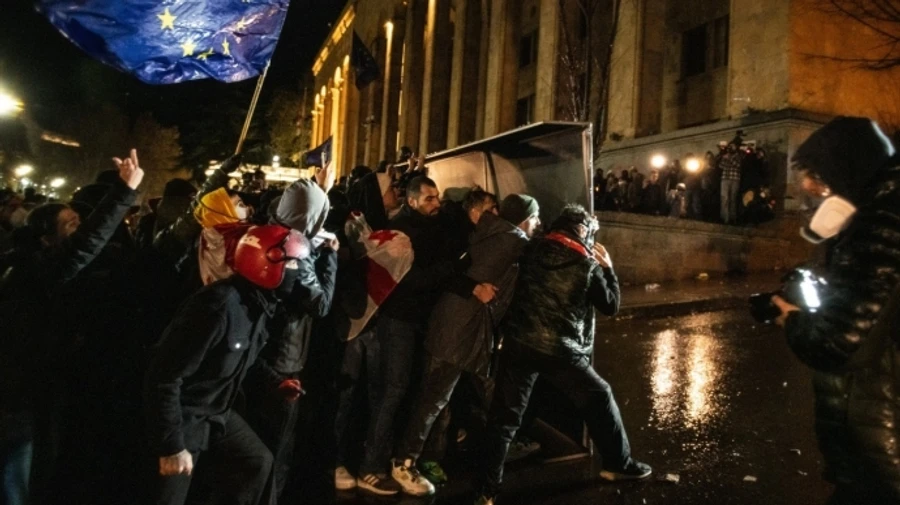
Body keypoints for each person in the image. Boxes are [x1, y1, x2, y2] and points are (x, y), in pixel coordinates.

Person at [474, 204, 651, 505]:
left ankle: (486, 491)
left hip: (519, 343)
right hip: (561, 350)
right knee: (600, 396)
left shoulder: (532, 249)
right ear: (582, 231)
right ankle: (618, 464)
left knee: (504, 418)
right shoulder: (587, 266)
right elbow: (610, 305)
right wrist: (608, 267)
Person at [0, 149, 144, 505]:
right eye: (71, 224)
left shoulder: (28, 268)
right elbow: (84, 247)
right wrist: (123, 193)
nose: (79, 227)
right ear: (46, 239)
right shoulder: (36, 273)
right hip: (17, 396)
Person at [771, 116, 900, 505]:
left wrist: (792, 318)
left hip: (880, 440)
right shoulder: (873, 219)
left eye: (819, 177)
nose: (810, 189)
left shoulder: (881, 226)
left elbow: (840, 344)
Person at [143, 224, 311, 505]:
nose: (295, 270)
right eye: (291, 262)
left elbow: (247, 356)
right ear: (265, 261)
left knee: (256, 463)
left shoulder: (258, 303)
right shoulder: (217, 307)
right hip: (184, 415)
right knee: (168, 497)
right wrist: (172, 446)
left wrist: (275, 383)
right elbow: (163, 378)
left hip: (216, 410)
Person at [392, 193, 539, 495]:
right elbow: (545, 254)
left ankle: (501, 444)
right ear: (525, 219)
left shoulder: (485, 234)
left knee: (476, 393)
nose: (538, 224)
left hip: (464, 329)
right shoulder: (514, 238)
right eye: (535, 218)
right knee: (433, 400)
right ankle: (404, 462)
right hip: (459, 333)